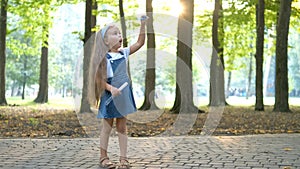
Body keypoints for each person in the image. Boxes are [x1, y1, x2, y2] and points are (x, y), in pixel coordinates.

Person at [90, 17, 147, 169]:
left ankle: (124, 159)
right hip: (110, 95)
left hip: (123, 95)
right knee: (107, 128)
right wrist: (111, 89)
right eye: (115, 34)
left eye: (120, 33)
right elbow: (98, 80)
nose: (120, 36)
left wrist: (143, 24)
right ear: (106, 41)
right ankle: (103, 157)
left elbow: (140, 43)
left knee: (122, 127)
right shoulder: (104, 59)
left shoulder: (124, 53)